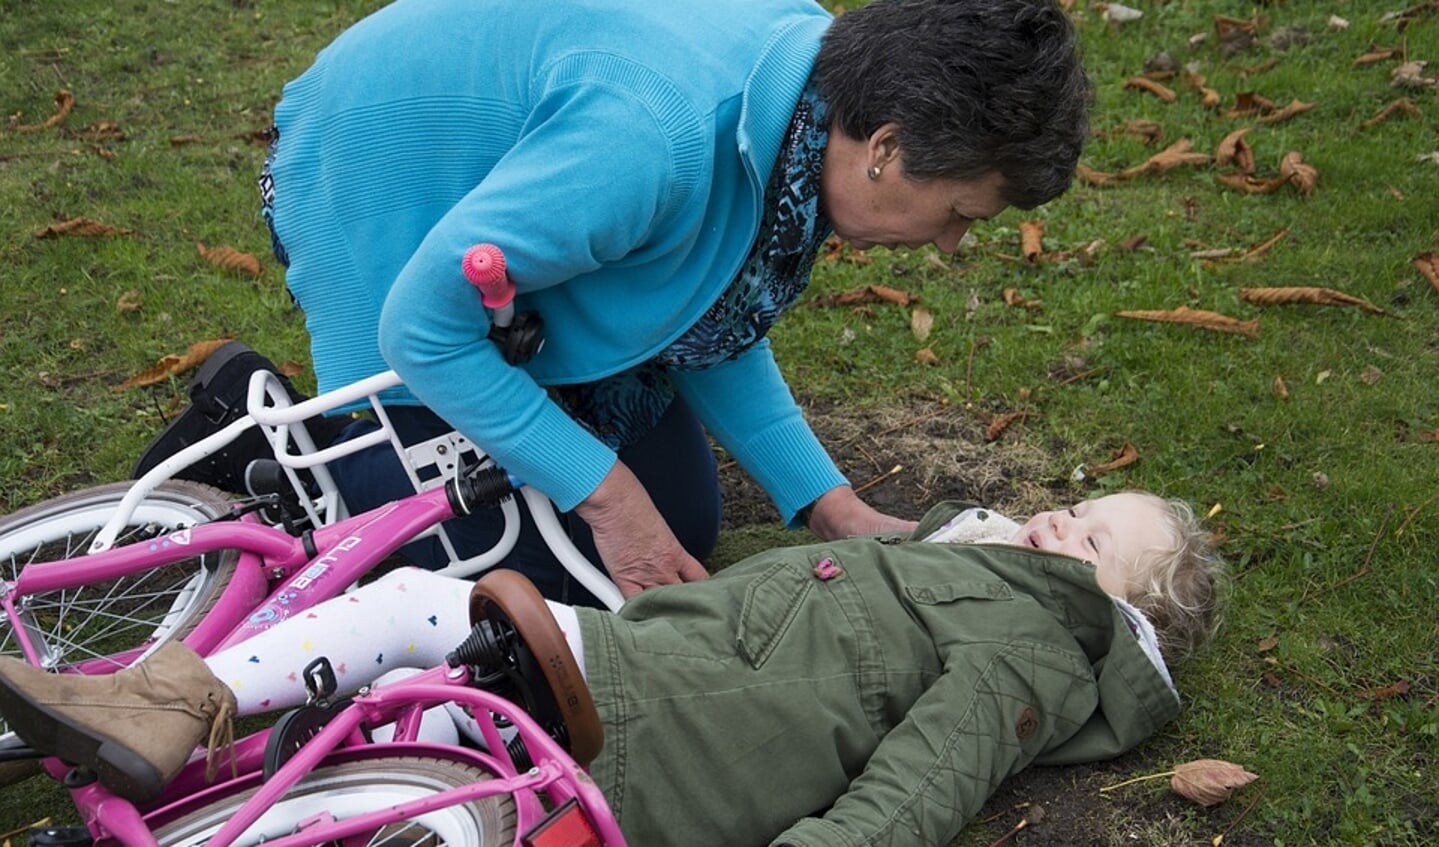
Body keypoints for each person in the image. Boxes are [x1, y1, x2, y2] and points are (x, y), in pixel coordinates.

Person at [134, 0, 1091, 604]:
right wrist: (606, 495)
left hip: (539, 204)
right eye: (960, 211)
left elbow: (707, 308)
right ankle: (256, 440)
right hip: (377, 176)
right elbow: (422, 323)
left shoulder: (806, 98)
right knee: (465, 578)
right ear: (884, 146)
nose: (951, 244)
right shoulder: (658, 139)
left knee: (680, 516)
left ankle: (534, 389)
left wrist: (828, 504)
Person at [0, 491, 1226, 846]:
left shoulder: (1032, 643)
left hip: (670, 733)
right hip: (656, 669)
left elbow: (929, 772)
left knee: (421, 614)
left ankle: (166, 713)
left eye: (1096, 537)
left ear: (1129, 614)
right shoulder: (969, 567)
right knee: (414, 632)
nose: (1062, 521)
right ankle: (159, 714)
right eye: (1073, 505)